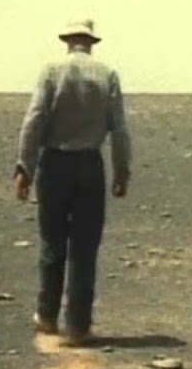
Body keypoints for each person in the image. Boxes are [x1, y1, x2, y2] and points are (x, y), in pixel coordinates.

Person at [13, 19, 132, 346]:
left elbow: (34, 120)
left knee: (52, 240)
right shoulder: (107, 74)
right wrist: (121, 170)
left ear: (68, 41)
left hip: (54, 164)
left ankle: (48, 316)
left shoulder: (51, 72)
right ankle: (78, 325)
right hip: (90, 166)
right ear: (91, 42)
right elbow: (119, 128)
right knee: (84, 246)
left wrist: (25, 167)